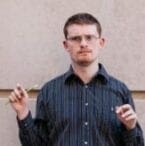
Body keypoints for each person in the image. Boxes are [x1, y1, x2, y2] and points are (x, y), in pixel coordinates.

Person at [9, 13, 144, 146]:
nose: (83, 43)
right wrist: (23, 112)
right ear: (66, 45)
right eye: (76, 38)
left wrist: (131, 128)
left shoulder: (120, 91)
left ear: (101, 42)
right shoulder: (49, 92)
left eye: (89, 37)